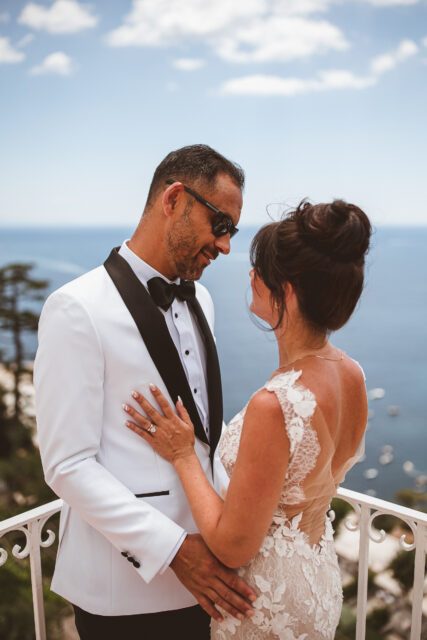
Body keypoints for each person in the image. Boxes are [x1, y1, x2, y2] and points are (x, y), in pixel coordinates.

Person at [34, 144, 257, 639]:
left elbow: (202, 438)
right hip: (126, 591)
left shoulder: (202, 298)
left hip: (211, 580)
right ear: (174, 199)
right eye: (220, 225)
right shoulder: (76, 308)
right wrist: (175, 550)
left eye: (232, 233)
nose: (225, 246)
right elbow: (66, 464)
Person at [123, 199, 372, 639]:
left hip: (265, 602)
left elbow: (233, 546)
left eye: (259, 270)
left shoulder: (273, 405)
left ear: (287, 292)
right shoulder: (352, 374)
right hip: (317, 582)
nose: (250, 275)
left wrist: (183, 455)